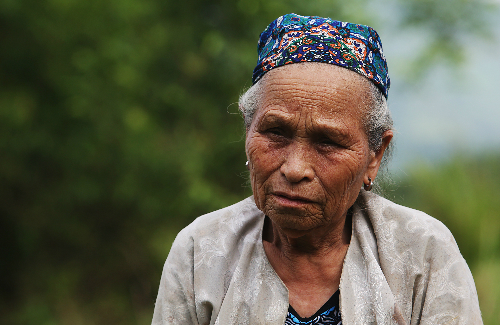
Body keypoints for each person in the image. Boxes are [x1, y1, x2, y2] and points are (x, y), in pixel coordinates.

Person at [152, 13, 482, 324]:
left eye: (328, 142)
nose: (295, 169)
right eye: (275, 133)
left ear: (374, 156)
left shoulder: (423, 252)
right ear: (248, 131)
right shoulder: (201, 250)